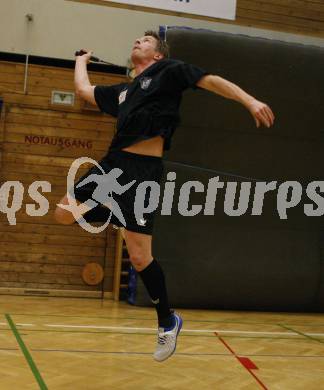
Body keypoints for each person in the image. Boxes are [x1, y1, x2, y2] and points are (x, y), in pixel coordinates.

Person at [54, 30, 275, 362]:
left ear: (157, 55)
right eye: (136, 39)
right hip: (114, 165)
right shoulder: (124, 92)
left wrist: (250, 100)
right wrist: (80, 61)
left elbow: (212, 81)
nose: (137, 42)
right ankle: (116, 210)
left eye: (145, 41)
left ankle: (167, 321)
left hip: (144, 173)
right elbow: (84, 91)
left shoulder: (168, 71)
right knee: (62, 213)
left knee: (141, 259)